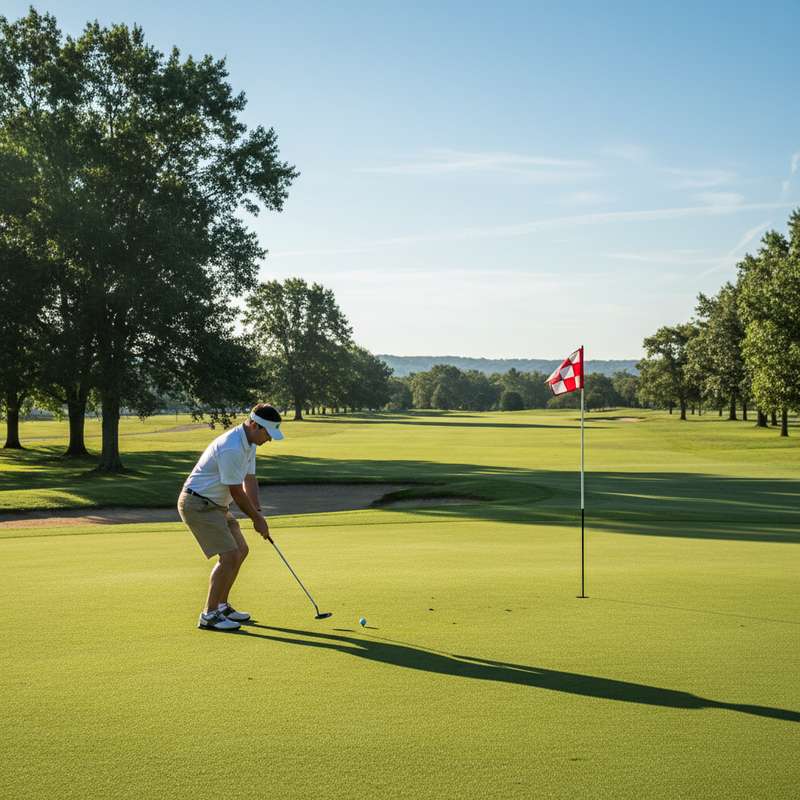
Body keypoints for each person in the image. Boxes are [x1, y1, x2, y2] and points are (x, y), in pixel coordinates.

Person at [177, 403, 284, 631]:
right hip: (198, 503)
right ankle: (209, 614)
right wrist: (256, 520)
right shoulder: (232, 447)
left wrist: (259, 513)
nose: (270, 439)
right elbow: (236, 490)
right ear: (254, 425)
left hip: (215, 505)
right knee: (229, 556)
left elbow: (250, 479)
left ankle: (222, 606)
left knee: (241, 551)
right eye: (268, 433)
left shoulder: (250, 442)